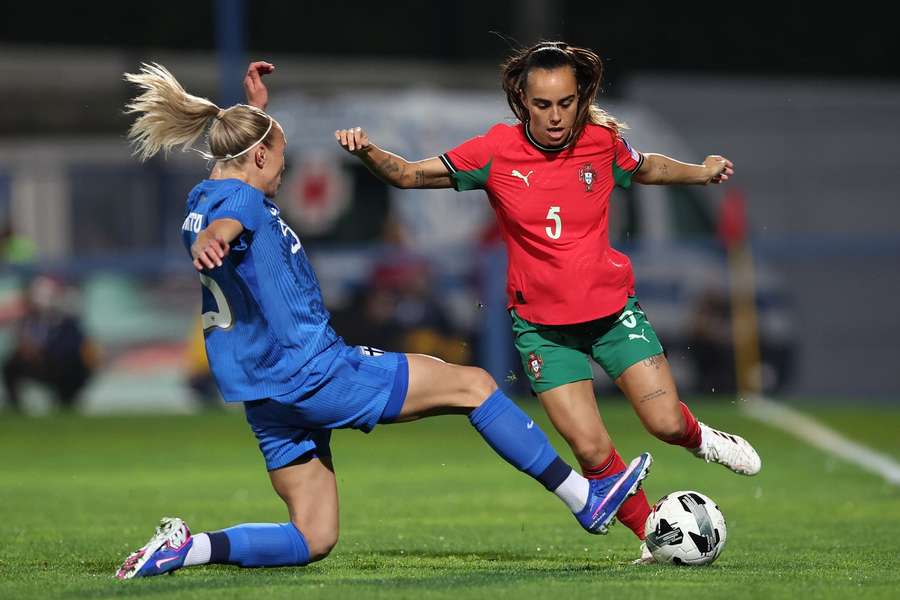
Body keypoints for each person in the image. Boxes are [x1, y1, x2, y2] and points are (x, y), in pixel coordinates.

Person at [114, 61, 653, 580]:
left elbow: (231, 182)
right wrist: (220, 235)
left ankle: (188, 550)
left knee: (313, 537)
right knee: (474, 386)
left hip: (266, 395)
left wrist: (255, 115)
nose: (285, 170)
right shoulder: (242, 204)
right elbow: (236, 216)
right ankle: (586, 498)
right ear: (257, 161)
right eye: (281, 159)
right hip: (315, 372)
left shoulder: (202, 195)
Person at [334, 41, 762, 563]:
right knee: (591, 450)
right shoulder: (494, 150)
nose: (556, 116)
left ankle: (704, 441)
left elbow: (645, 167)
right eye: (543, 104)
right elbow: (407, 174)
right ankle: (654, 539)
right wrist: (368, 152)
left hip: (611, 314)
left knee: (665, 423)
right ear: (522, 100)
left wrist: (700, 170)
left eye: (565, 102)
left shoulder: (601, 142)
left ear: (580, 99)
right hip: (542, 330)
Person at [2, 275, 95, 412]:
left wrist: (43, 351)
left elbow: (72, 347)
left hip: (63, 367)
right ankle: (15, 406)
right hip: (41, 365)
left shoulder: (67, 320)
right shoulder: (28, 320)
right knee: (11, 366)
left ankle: (66, 403)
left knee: (70, 373)